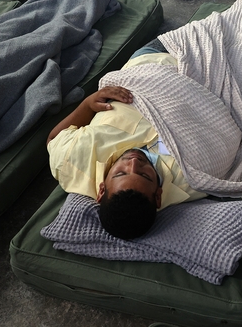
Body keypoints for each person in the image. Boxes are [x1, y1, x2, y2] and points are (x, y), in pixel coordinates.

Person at [47, 40, 207, 240]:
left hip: (147, 59)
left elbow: (53, 139)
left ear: (101, 190)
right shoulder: (190, 179)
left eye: (120, 173)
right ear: (158, 196)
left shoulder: (73, 161)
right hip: (197, 74)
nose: (133, 161)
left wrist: (88, 105)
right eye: (145, 175)